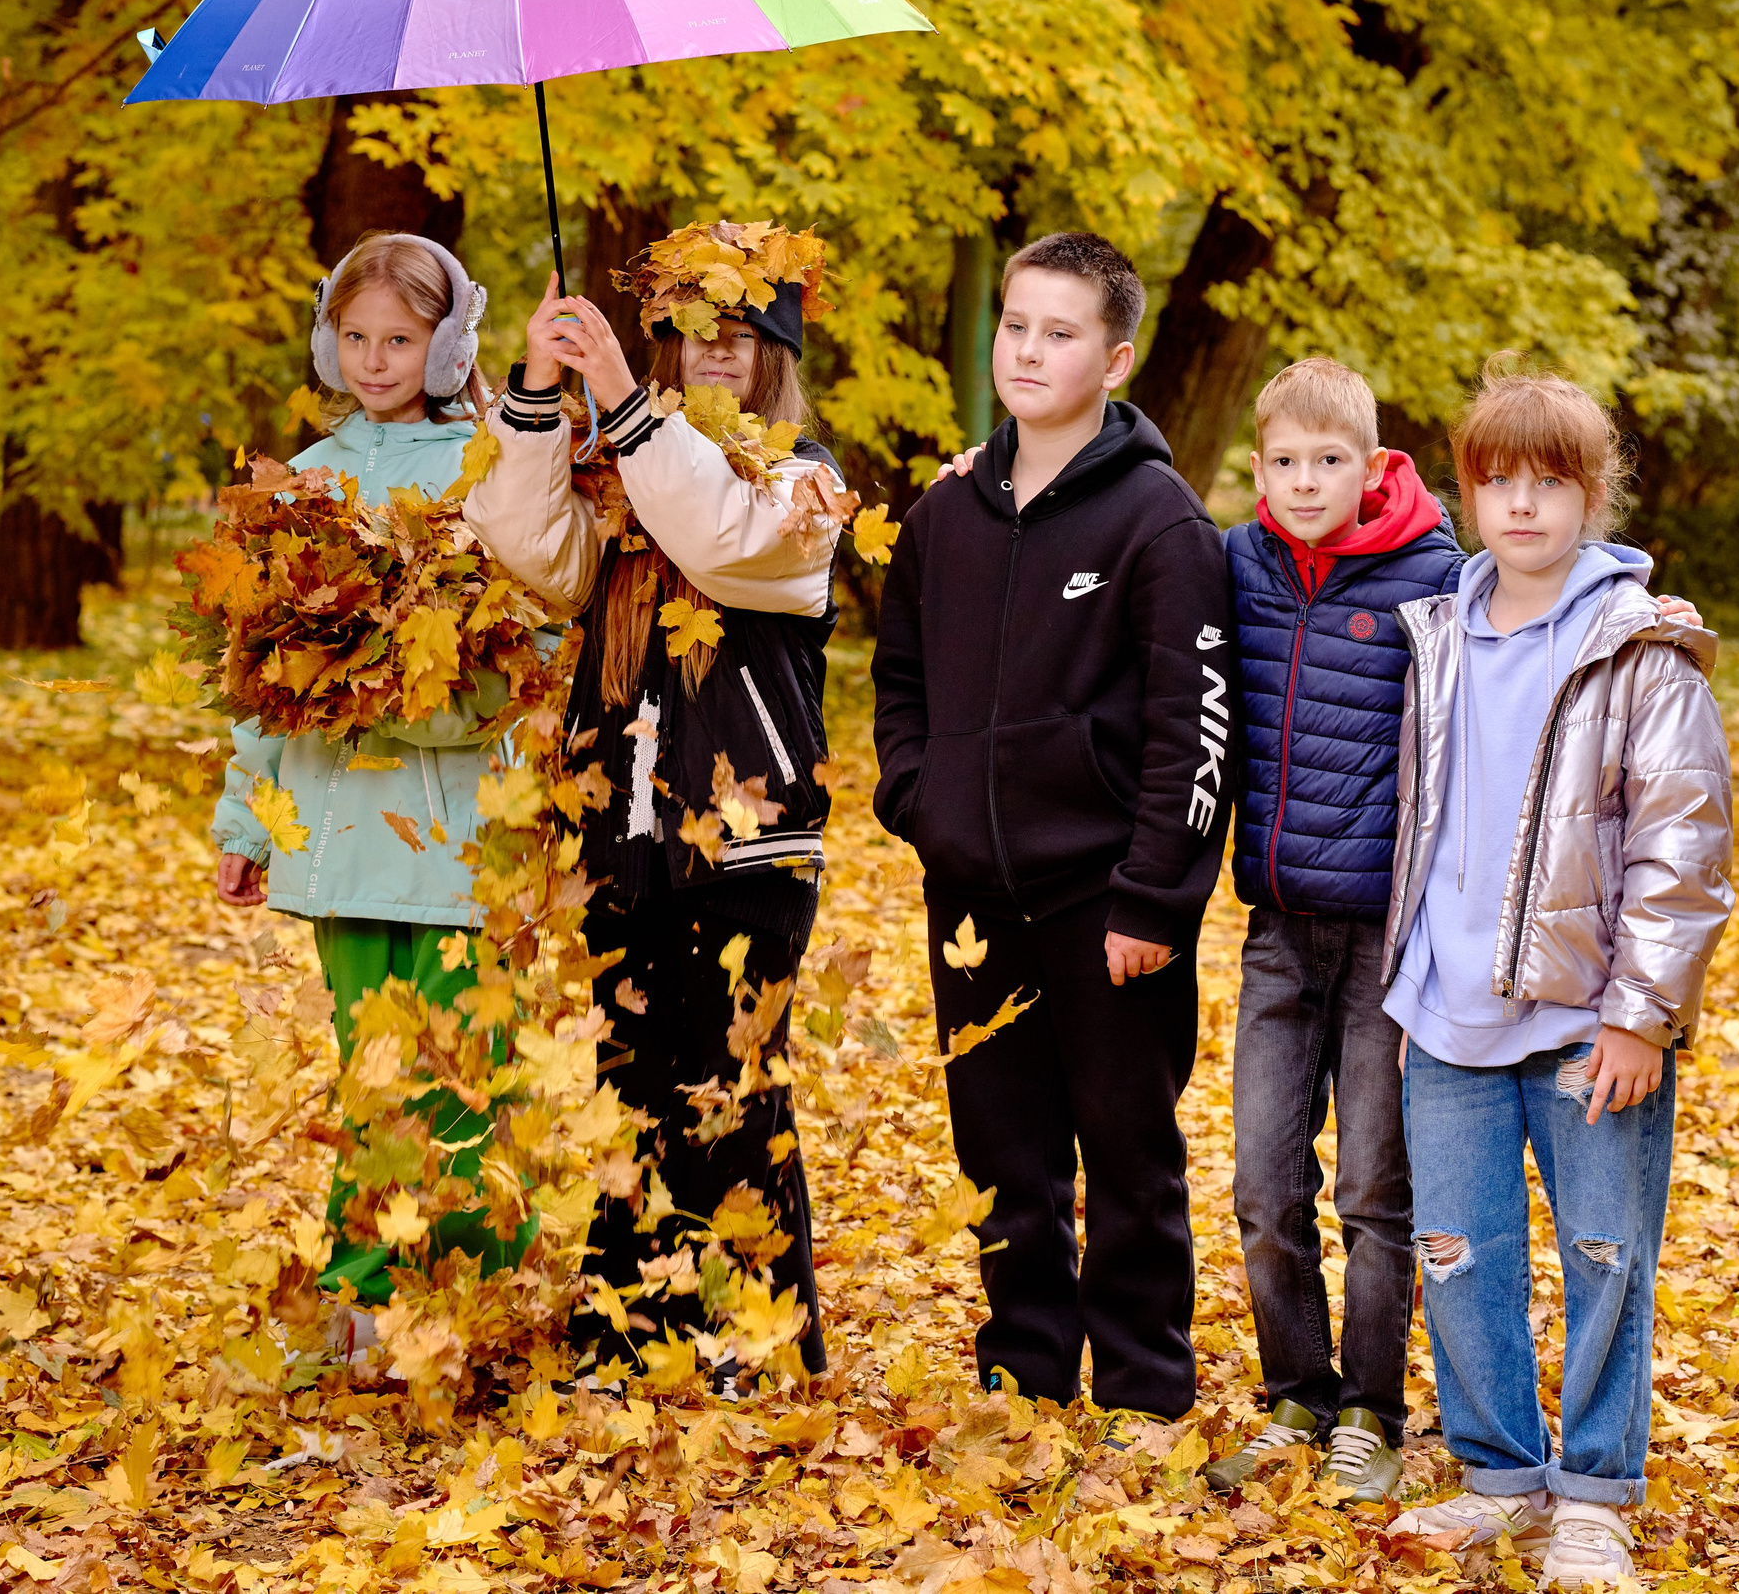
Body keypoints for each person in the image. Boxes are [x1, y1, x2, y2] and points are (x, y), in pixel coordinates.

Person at [462, 220, 845, 1393]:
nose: (715, 350)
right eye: (690, 331)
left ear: (776, 353)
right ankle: (629, 1331)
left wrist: (626, 406)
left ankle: (757, 1338)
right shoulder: (624, 469)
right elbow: (533, 552)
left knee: (730, 1080)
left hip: (750, 833)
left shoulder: (806, 484)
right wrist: (541, 390)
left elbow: (719, 540)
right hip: (619, 827)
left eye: (741, 332)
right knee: (630, 1078)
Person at [1378, 354, 1734, 1587]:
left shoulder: (1640, 647)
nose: (1521, 504)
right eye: (1497, 482)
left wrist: (1642, 1016)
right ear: (1467, 494)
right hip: (1446, 1014)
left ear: (1593, 495)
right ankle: (1498, 1477)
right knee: (1457, 1255)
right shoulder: (1437, 634)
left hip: (1588, 1021)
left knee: (1603, 1255)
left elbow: (1682, 848)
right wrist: (1408, 976)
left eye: (1549, 482)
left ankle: (1591, 1496)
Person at [870, 231, 1233, 1427]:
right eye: (1015, 325)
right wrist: (917, 797)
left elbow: (1196, 727)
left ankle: (1142, 1392)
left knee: (1127, 1153)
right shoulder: (944, 515)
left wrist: (1153, 898)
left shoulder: (1160, 523)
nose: (1027, 350)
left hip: (1107, 904)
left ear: (1115, 359)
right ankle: (1023, 1379)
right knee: (1001, 1152)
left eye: (1060, 333)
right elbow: (899, 680)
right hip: (971, 896)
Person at [209, 232, 529, 1321]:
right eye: (355, 338)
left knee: (465, 1075)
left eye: (400, 339)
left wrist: (424, 696)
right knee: (374, 1076)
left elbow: (526, 643)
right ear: (325, 342)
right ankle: (365, 1294)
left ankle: (479, 1292)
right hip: (342, 830)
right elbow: (258, 678)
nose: (375, 360)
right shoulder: (303, 478)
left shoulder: (489, 465)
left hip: (458, 832)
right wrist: (247, 824)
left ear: (449, 346)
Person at [1195, 359, 1460, 1504]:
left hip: (1384, 942)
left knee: (1371, 1192)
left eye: (1328, 461)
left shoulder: (1435, 573)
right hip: (1276, 931)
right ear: (1259, 468)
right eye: (1283, 462)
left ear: (1371, 464)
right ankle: (1296, 1397)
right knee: (1263, 1184)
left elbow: (1536, 614)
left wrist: (1642, 611)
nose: (1304, 482)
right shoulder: (1237, 562)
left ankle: (1370, 1413)